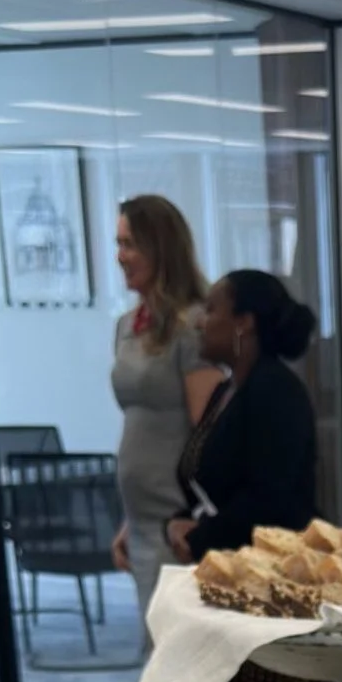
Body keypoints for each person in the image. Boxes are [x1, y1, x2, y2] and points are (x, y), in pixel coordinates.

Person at [163, 269, 323, 682]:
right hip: (233, 580)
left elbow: (272, 499)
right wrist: (179, 519)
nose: (199, 321)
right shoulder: (225, 391)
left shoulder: (278, 392)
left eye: (212, 309)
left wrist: (203, 533)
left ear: (244, 323)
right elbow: (205, 479)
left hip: (276, 585)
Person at [109, 196, 221, 627]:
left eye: (131, 244)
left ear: (161, 249)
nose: (121, 256)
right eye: (118, 243)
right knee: (154, 646)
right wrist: (127, 520)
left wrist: (198, 517)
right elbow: (138, 426)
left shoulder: (192, 327)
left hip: (178, 520)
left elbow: (208, 434)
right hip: (140, 519)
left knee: (178, 652)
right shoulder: (125, 327)